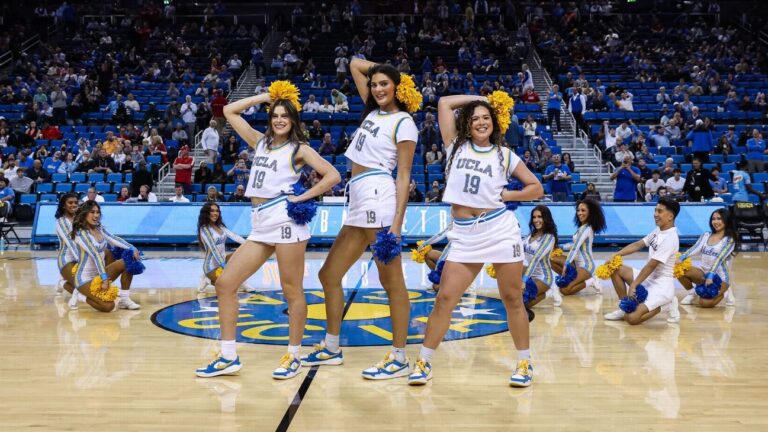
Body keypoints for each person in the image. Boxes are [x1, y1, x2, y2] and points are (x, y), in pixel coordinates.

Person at [196, 84, 340, 380]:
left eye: (284, 116)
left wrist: (302, 197)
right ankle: (228, 355)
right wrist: (266, 97)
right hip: (260, 223)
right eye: (275, 115)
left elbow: (333, 175)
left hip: (286, 222)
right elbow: (228, 111)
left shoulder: (300, 149)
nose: (279, 120)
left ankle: (293, 355)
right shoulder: (259, 142)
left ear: (293, 121)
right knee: (225, 284)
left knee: (291, 291)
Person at [407, 92, 543, 387]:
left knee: (512, 298)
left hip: (499, 228)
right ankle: (424, 362)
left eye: (486, 117)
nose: (481, 122)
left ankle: (524, 362)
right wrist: (482, 98)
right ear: (467, 123)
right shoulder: (455, 146)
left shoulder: (505, 155)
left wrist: (510, 195)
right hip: (466, 234)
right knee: (444, 298)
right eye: (476, 118)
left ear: (494, 123)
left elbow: (536, 188)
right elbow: (444, 103)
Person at [301, 59, 419, 380]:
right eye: (375, 83)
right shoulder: (373, 113)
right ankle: (332, 346)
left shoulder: (404, 121)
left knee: (391, 281)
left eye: (385, 84)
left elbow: (404, 175)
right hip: (356, 196)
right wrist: (386, 73)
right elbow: (354, 63)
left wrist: (396, 225)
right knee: (329, 274)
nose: (378, 88)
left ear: (397, 87)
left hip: (379, 195)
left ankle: (398, 357)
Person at [603, 197, 681, 324]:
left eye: (660, 211)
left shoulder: (670, 238)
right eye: (655, 210)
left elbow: (651, 266)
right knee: (615, 268)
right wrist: (617, 254)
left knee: (632, 319)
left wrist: (633, 285)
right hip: (648, 279)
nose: (655, 214)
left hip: (661, 286)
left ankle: (667, 304)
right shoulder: (658, 231)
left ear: (670, 216)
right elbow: (638, 244)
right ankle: (624, 307)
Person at [69, 200, 142, 312]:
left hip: (100, 273)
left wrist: (131, 247)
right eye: (92, 212)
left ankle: (124, 299)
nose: (96, 215)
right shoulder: (80, 233)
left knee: (129, 258)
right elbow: (95, 255)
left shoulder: (99, 228)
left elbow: (113, 238)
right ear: (84, 213)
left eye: (97, 212)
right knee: (108, 307)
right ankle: (80, 295)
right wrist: (104, 279)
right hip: (84, 279)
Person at [677, 209, 738, 308]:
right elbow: (695, 248)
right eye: (713, 219)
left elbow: (719, 258)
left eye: (719, 219)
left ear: (726, 220)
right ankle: (693, 293)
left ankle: (725, 291)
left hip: (720, 277)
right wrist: (682, 257)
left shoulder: (729, 239)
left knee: (704, 304)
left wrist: (711, 275)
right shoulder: (706, 235)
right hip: (703, 273)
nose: (716, 222)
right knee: (678, 270)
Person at [551, 198, 606, 296]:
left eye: (583, 210)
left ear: (590, 212)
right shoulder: (582, 228)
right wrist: (558, 247)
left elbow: (575, 248)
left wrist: (566, 265)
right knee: (552, 258)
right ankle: (575, 282)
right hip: (576, 265)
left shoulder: (587, 228)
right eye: (578, 210)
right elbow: (573, 244)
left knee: (565, 290)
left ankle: (591, 281)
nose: (580, 213)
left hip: (586, 266)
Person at [196, 202, 248, 292]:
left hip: (223, 261)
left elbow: (234, 236)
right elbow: (214, 249)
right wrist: (224, 266)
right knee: (228, 286)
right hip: (211, 267)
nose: (215, 213)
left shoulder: (220, 226)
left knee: (242, 253)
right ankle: (207, 279)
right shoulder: (204, 229)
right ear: (206, 213)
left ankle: (241, 282)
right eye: (212, 211)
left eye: (217, 211)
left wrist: (248, 243)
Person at [523, 205, 561, 308]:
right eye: (534, 217)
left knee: (523, 304)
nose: (536, 220)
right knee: (514, 299)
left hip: (543, 278)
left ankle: (549, 291)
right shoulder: (530, 236)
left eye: (539, 217)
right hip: (531, 276)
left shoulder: (549, 237)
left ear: (546, 218)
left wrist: (524, 280)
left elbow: (535, 259)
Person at [54, 193, 80, 301]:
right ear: (64, 205)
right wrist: (82, 260)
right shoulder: (61, 222)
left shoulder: (81, 219)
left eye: (75, 202)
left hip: (82, 255)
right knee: (82, 290)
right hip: (67, 258)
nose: (74, 205)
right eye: (70, 203)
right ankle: (63, 282)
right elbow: (70, 242)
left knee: (90, 286)